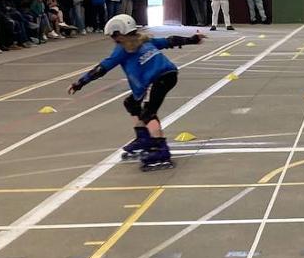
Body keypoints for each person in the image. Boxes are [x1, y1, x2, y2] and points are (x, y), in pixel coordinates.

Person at [67, 14, 203, 171]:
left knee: (148, 113)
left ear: (119, 34)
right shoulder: (145, 40)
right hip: (166, 75)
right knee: (131, 103)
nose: (113, 39)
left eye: (113, 36)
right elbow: (169, 41)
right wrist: (192, 39)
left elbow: (101, 69)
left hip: (159, 78)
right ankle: (143, 138)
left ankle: (160, 150)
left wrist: (80, 83)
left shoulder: (122, 50)